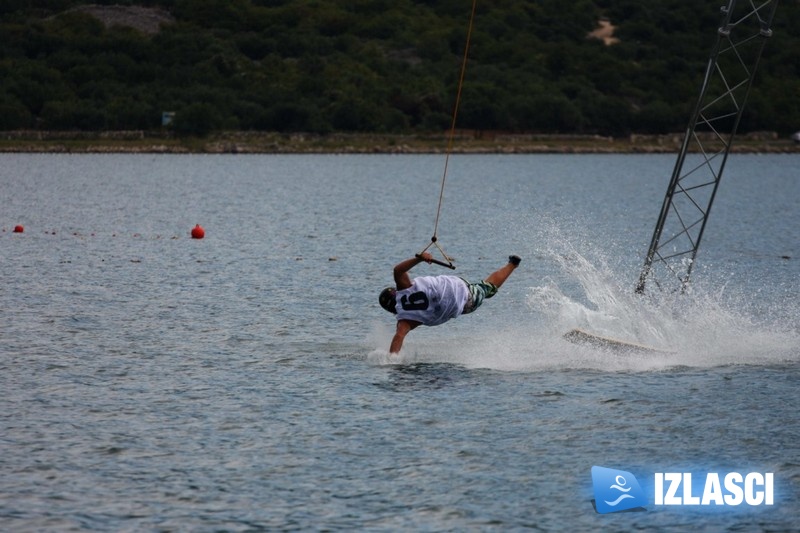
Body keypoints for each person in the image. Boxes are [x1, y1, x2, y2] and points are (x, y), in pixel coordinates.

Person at [378, 252, 521, 354]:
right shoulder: (404, 289)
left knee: (488, 288)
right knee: (483, 287)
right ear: (395, 292)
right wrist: (420, 259)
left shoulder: (406, 321)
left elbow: (399, 337)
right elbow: (398, 270)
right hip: (455, 285)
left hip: (464, 299)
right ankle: (511, 264)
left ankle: (512, 264)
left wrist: (392, 360)